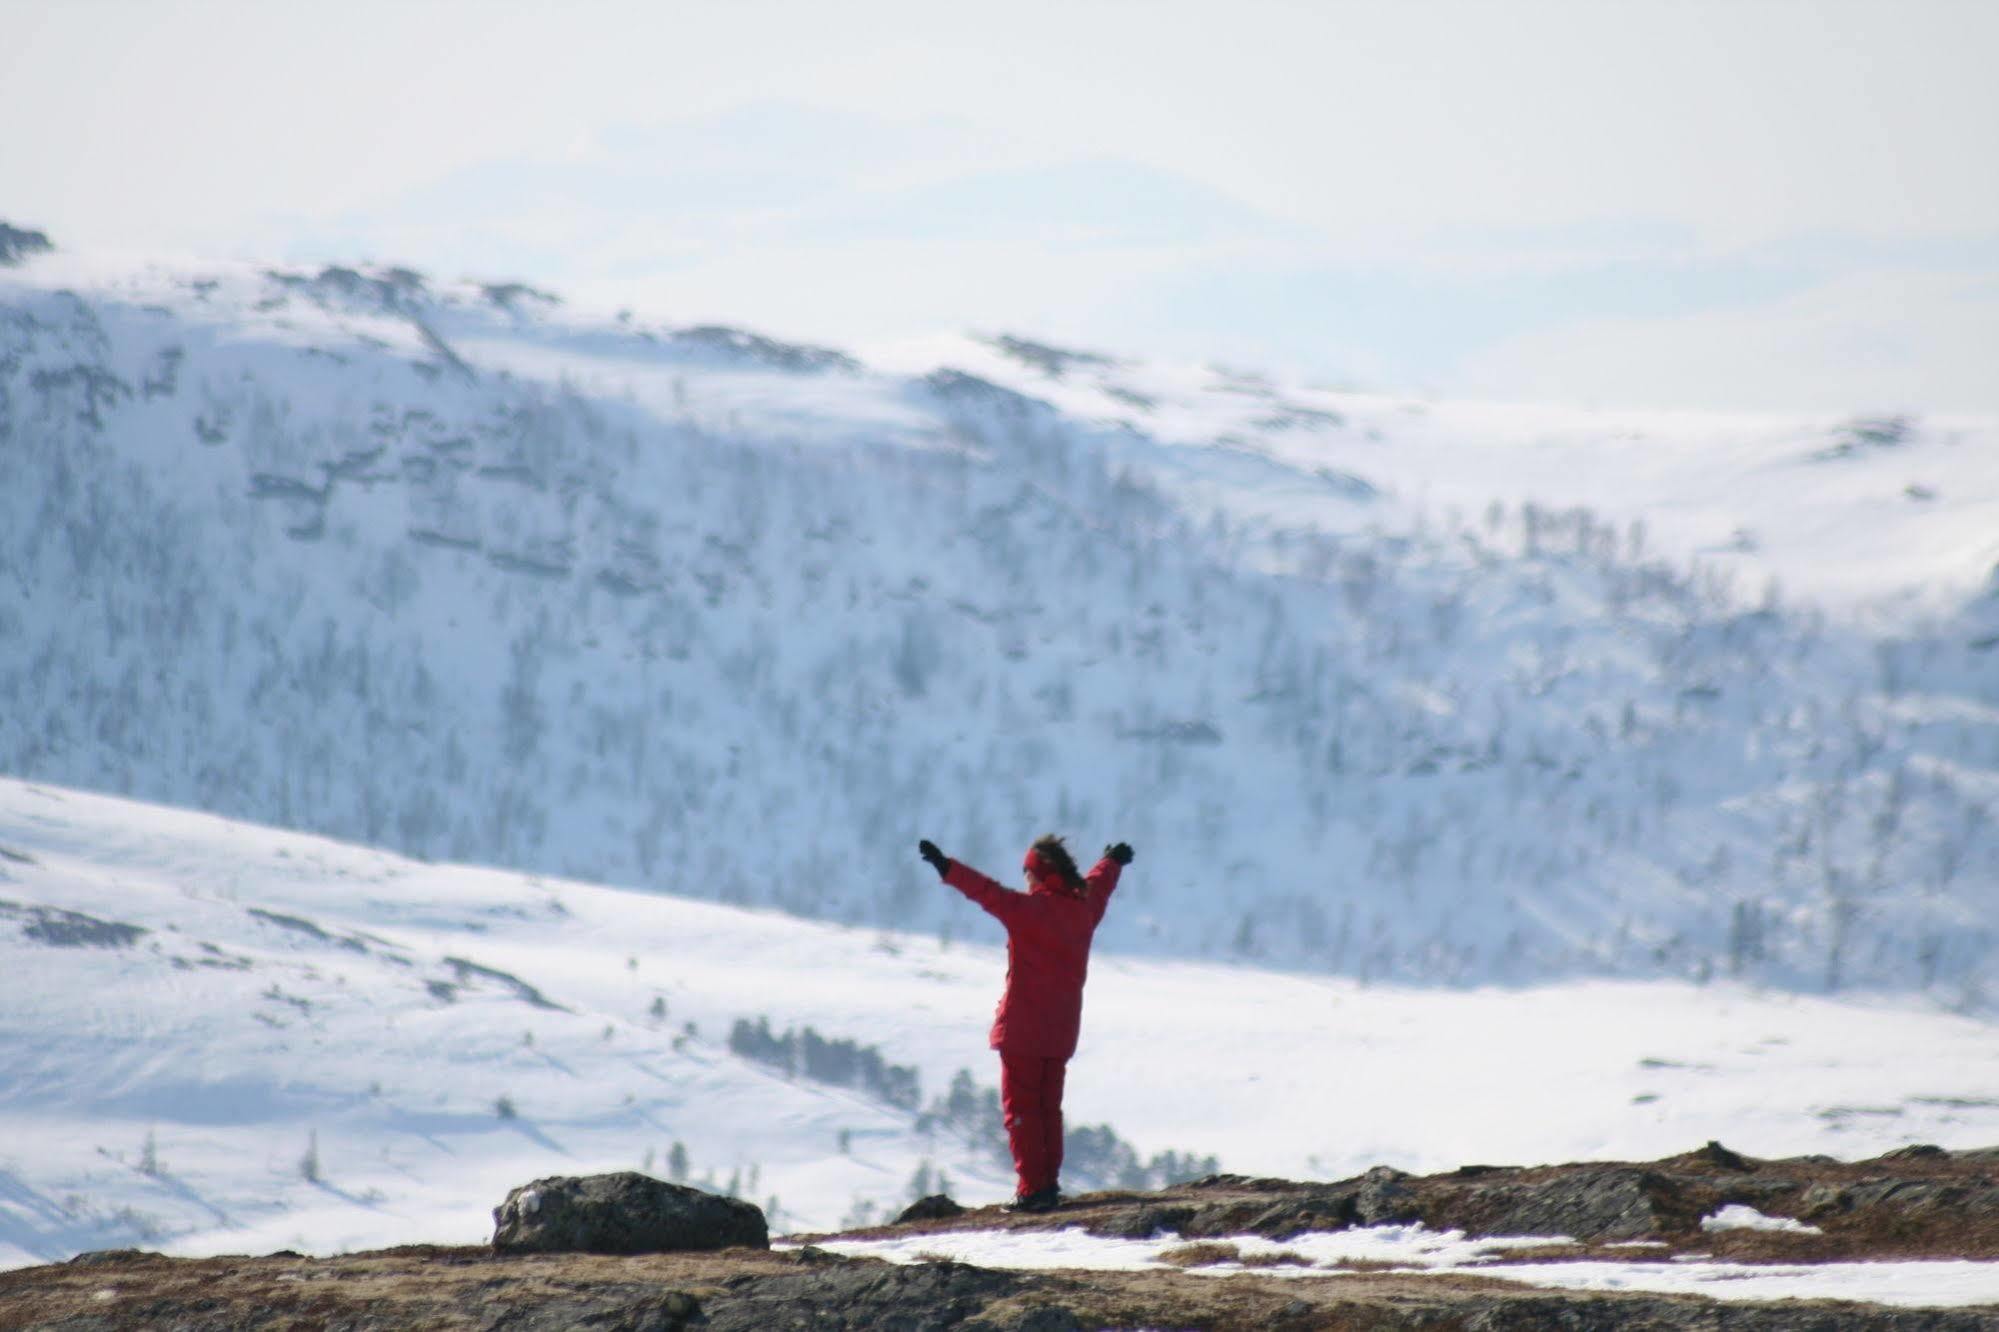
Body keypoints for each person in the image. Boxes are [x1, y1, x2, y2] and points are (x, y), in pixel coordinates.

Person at [917, 833, 1133, 1212]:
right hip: (1061, 1032)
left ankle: (1033, 1190)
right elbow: (1098, 886)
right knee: (1049, 1110)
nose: (1024, 881)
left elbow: (986, 892)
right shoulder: (1083, 909)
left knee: (1022, 1114)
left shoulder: (1027, 911)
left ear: (1038, 874)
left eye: (1027, 873)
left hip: (1022, 1031)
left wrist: (947, 868)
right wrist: (1112, 861)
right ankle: (1047, 1185)